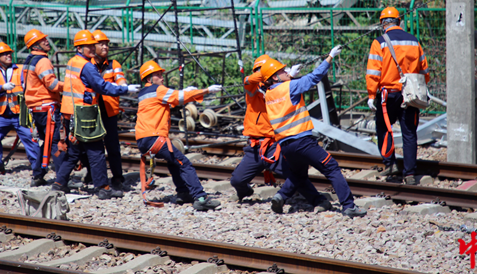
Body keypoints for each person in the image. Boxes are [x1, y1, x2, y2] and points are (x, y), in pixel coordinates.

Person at [262, 52, 367, 218]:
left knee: (298, 174)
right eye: (282, 71)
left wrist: (289, 76)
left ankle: (280, 196)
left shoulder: (269, 94)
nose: (286, 71)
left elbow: (282, 92)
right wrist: (329, 58)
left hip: (286, 146)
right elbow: (314, 77)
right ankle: (349, 206)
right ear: (274, 77)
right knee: (331, 167)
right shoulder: (289, 86)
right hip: (302, 141)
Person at [52, 30, 140, 198]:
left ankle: (59, 183)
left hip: (70, 112)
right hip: (84, 113)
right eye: (89, 46)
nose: (93, 49)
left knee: (74, 151)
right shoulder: (87, 66)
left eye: (94, 45)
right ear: (79, 48)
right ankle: (103, 188)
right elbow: (102, 86)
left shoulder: (73, 62)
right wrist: (125, 89)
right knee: (96, 151)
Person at [135, 60, 222, 211]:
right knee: (184, 163)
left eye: (161, 74)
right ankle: (201, 198)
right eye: (158, 75)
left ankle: (183, 193)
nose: (162, 77)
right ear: (149, 78)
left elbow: (170, 98)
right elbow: (178, 97)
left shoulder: (143, 93)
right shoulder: (158, 89)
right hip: (155, 137)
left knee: (174, 162)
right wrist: (206, 91)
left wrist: (185, 91)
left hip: (143, 140)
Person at [366, 7, 430, 185]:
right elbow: (424, 71)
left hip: (388, 94)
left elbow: (373, 72)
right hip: (411, 94)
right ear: (398, 22)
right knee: (409, 133)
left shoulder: (379, 42)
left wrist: (371, 94)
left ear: (383, 23)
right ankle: (410, 174)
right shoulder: (414, 41)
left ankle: (390, 164)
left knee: (384, 128)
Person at [230, 54, 298, 203]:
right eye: (262, 70)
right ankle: (245, 192)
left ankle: (314, 198)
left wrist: (289, 77)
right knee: (237, 181)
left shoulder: (278, 86)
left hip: (274, 145)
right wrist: (272, 72)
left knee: (296, 176)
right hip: (255, 147)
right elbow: (250, 79)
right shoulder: (251, 86)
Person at [0, 42, 38, 175]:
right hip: (3, 115)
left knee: (30, 138)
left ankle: (38, 168)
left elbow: (30, 85)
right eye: (4, 54)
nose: (8, 55)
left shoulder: (20, 69)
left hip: (20, 114)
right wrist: (2, 88)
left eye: (9, 53)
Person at [21, 28, 65, 187]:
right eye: (42, 40)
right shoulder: (43, 61)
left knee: (44, 142)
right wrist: (69, 86)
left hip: (37, 108)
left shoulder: (29, 61)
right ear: (35, 45)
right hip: (48, 108)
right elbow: (52, 84)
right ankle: (62, 179)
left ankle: (38, 175)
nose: (46, 41)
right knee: (56, 143)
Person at [88, 29, 126, 190]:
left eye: (106, 44)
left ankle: (117, 177)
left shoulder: (113, 64)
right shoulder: (87, 64)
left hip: (109, 111)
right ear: (93, 46)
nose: (105, 47)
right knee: (91, 146)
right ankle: (91, 175)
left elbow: (120, 79)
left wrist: (123, 86)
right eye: (101, 44)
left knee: (112, 146)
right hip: (91, 110)